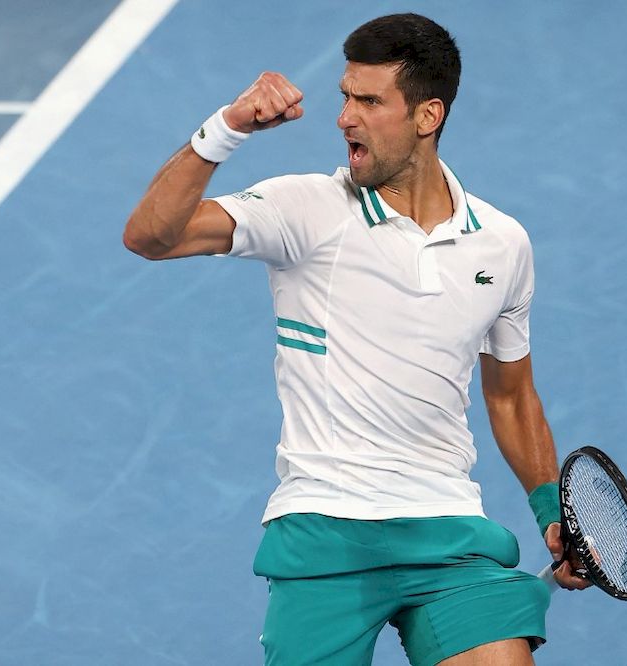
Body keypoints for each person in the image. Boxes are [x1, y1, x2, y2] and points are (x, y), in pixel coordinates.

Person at [124, 12, 589, 666]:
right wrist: (226, 129)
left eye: (369, 101)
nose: (344, 117)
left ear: (427, 117)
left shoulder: (502, 244)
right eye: (346, 96)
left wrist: (550, 510)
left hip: (448, 531)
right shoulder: (303, 209)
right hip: (325, 528)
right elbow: (151, 236)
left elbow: (511, 396)